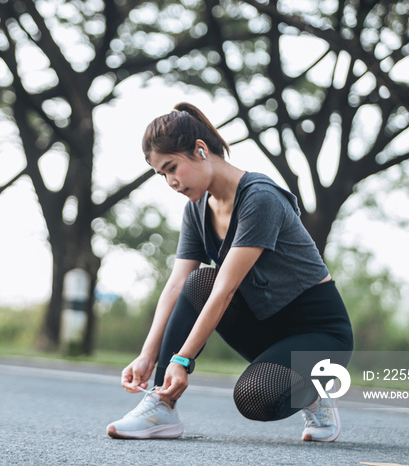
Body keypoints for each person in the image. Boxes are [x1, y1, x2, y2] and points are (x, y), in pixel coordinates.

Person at [106, 103, 354, 442]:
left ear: (199, 149)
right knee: (197, 283)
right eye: (161, 174)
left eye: (172, 167)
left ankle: (313, 388)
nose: (170, 181)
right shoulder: (196, 210)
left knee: (255, 397)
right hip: (267, 329)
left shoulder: (260, 197)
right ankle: (162, 406)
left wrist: (183, 358)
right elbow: (177, 285)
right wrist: (148, 355)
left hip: (320, 335)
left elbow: (226, 289)